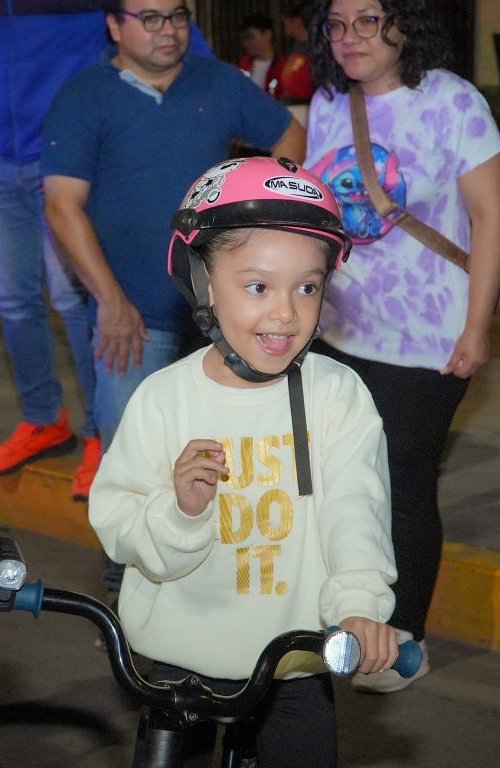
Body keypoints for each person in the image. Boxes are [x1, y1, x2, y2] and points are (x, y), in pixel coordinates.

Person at [89, 156, 398, 767]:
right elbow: (117, 520)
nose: (286, 311)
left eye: (307, 287)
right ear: (205, 284)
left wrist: (360, 608)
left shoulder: (336, 395)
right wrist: (180, 512)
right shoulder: (164, 399)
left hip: (295, 659)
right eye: (258, 286)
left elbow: (355, 511)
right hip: (181, 659)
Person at [42, 0, 304, 598]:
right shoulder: (85, 96)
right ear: (115, 25)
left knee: (236, 446)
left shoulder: (219, 83)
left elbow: (290, 138)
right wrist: (111, 301)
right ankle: (130, 576)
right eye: (151, 18)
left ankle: (222, 562)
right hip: (134, 313)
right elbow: (62, 206)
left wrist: (258, 211)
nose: (169, 30)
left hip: (227, 315)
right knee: (133, 450)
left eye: (179, 16)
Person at [0, 2, 213, 499]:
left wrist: (207, 92)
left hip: (72, 148)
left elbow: (158, 16)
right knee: (12, 298)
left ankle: (101, 433)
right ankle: (42, 419)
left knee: (75, 297)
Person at [305, 0, 500, 694]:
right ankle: (348, 614)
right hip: (338, 329)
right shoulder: (330, 100)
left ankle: (403, 636)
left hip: (428, 337)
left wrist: (477, 327)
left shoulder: (452, 101)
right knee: (339, 480)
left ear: (403, 24)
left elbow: (490, 217)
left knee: (400, 480)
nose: (350, 38)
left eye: (368, 20)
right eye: (337, 25)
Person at [238, 14, 287, 99]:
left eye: (250, 38)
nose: (246, 43)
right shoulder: (243, 65)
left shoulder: (283, 66)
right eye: (244, 39)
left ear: (267, 35)